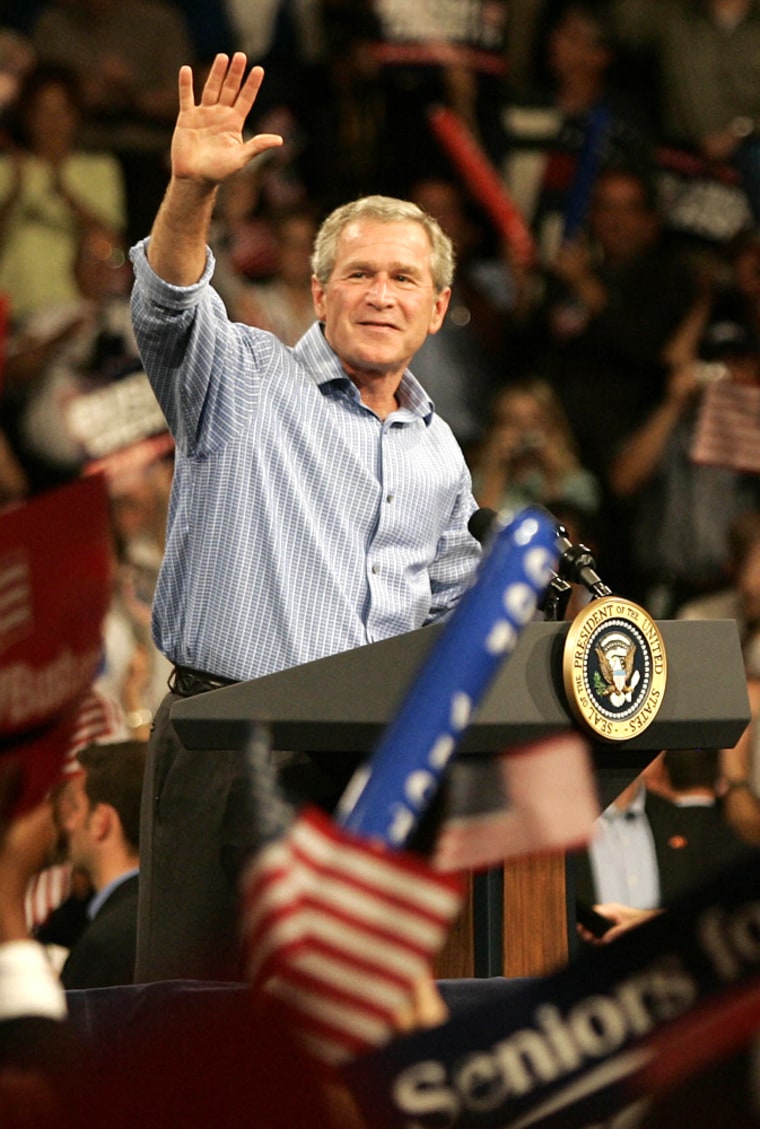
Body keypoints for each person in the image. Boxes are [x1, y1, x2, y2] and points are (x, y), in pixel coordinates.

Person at [129, 53, 481, 981]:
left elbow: (457, 621)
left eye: (405, 279)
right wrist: (189, 191)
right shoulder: (240, 378)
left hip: (365, 782)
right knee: (193, 1040)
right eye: (358, 273)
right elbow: (167, 306)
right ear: (318, 292)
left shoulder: (440, 453)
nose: (380, 294)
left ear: (437, 309)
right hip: (226, 750)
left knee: (333, 1055)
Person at [57, 741, 145, 990]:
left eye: (74, 807)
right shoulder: (170, 914)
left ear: (101, 821)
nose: (67, 825)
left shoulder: (104, 945)